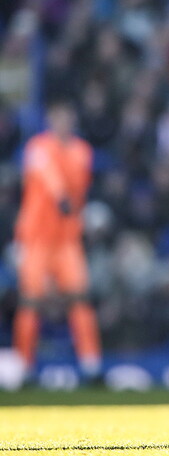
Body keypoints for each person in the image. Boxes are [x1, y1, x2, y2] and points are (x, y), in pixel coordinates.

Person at [13, 100, 103, 385]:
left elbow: (79, 186)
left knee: (80, 300)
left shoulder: (82, 151)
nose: (63, 123)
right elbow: (48, 177)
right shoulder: (37, 148)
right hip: (37, 238)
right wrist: (62, 197)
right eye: (58, 118)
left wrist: (69, 204)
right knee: (30, 303)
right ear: (50, 121)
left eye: (67, 118)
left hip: (66, 240)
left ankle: (91, 367)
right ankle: (25, 368)